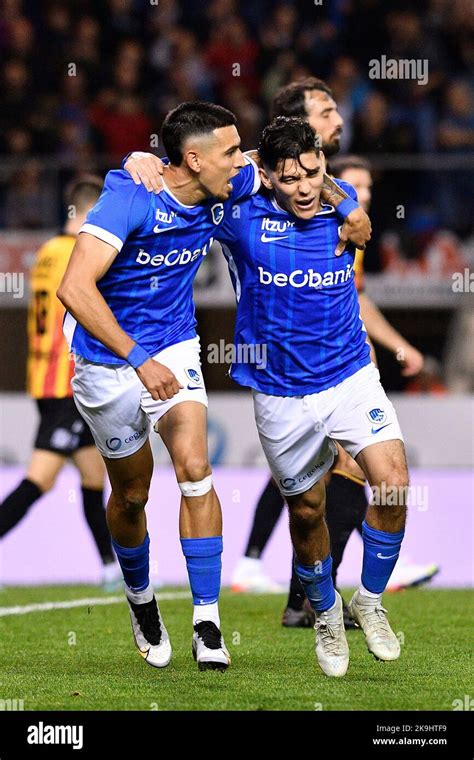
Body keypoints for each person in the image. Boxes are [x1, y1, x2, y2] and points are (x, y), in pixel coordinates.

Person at [57, 102, 262, 672]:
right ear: (193, 159)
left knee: (195, 469)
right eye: (229, 151)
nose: (240, 160)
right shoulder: (129, 197)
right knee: (131, 495)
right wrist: (138, 360)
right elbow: (74, 288)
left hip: (175, 344)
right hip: (107, 362)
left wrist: (347, 205)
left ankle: (207, 621)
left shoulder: (225, 184)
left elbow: (288, 165)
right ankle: (141, 600)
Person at [230, 79, 435, 624]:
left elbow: (357, 291)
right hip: (279, 385)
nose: (338, 118)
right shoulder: (245, 205)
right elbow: (200, 180)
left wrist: (350, 202)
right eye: (325, 112)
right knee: (305, 500)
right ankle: (308, 595)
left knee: (381, 481)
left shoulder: (342, 206)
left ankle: (355, 596)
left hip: (347, 370)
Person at [0, 176, 121, 591]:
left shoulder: (47, 252)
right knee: (41, 479)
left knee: (92, 477)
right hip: (67, 386)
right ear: (90, 214)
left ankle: (110, 566)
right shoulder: (78, 254)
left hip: (45, 380)